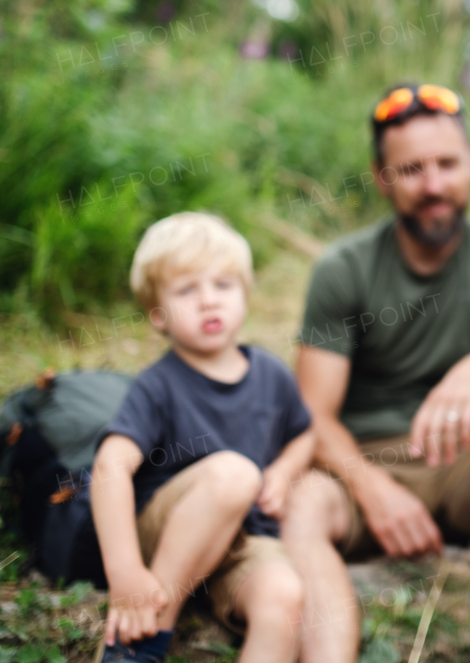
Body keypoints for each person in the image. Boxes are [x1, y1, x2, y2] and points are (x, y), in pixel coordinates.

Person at [287, 82, 470, 663]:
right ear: (381, 177)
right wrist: (373, 491)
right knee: (303, 502)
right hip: (369, 463)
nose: (433, 186)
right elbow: (313, 415)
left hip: (468, 464)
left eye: (447, 164)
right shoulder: (342, 269)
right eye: (412, 169)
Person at [91, 212, 315, 663]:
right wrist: (126, 572)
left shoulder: (270, 373)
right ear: (158, 315)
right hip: (169, 532)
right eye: (187, 290)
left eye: (223, 286)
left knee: (285, 594)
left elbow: (304, 434)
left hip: (241, 540)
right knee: (234, 474)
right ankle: (148, 630)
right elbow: (110, 466)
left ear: (245, 297)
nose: (208, 301)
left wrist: (284, 471)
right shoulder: (159, 385)